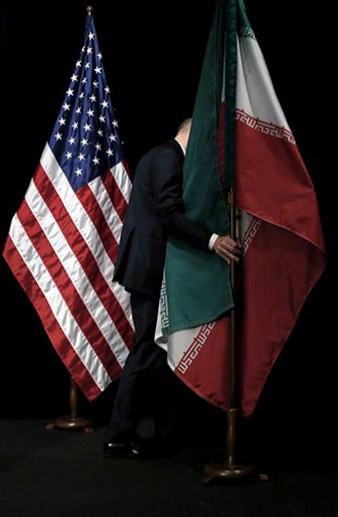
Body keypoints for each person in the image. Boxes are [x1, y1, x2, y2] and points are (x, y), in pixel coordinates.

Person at [104, 117, 242, 459]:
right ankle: (119, 435)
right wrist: (212, 241)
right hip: (149, 269)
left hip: (150, 266)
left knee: (160, 353)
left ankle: (165, 430)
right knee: (148, 351)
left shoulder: (159, 156)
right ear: (190, 135)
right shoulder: (169, 158)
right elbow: (169, 214)